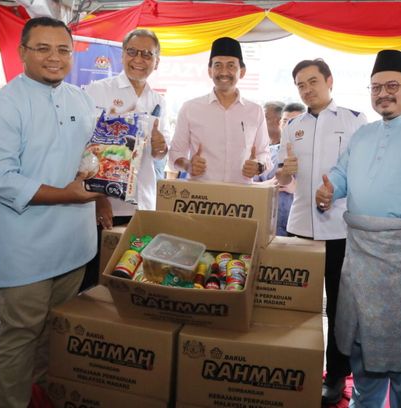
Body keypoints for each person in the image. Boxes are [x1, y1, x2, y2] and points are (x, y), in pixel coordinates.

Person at [0, 17, 102, 406]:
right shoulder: (0, 107)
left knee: (53, 332)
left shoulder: (80, 99)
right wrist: (66, 195)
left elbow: (90, 159)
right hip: (25, 246)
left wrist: (104, 180)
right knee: (21, 334)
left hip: (75, 244)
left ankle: (43, 396)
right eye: (42, 48)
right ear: (22, 52)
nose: (54, 57)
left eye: (63, 49)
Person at [315, 50, 401, 408]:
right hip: (361, 256)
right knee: (362, 347)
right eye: (376, 87)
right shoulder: (363, 134)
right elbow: (342, 173)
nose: (382, 94)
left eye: (392, 86)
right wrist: (331, 188)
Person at [276, 58, 367, 405]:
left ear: (329, 81)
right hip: (301, 228)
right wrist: (285, 171)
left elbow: (364, 173)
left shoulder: (354, 120)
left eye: (312, 81)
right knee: (301, 306)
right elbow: (282, 176)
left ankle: (337, 374)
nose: (307, 89)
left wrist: (337, 193)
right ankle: (301, 367)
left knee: (340, 308)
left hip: (340, 229)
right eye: (300, 85)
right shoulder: (293, 126)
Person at [83, 28, 169, 289]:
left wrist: (160, 146)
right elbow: (85, 148)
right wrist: (98, 199)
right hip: (107, 206)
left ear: (157, 61)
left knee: (132, 281)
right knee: (96, 281)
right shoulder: (98, 91)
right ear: (122, 55)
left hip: (143, 206)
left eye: (147, 54)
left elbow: (159, 153)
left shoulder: (158, 100)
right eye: (132, 52)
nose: (139, 59)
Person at [169, 37, 272, 183]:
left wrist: (258, 166)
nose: (224, 72)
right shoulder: (190, 108)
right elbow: (175, 153)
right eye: (218, 65)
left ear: (242, 72)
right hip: (201, 194)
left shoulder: (255, 111)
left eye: (231, 65)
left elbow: (264, 154)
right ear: (210, 71)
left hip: (242, 194)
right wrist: (188, 165)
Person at [255, 101, 304, 236]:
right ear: (280, 124)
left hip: (300, 230)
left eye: (296, 122)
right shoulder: (266, 154)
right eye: (286, 121)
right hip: (268, 229)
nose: (289, 126)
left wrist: (298, 189)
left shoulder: (317, 157)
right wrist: (266, 185)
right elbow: (248, 187)